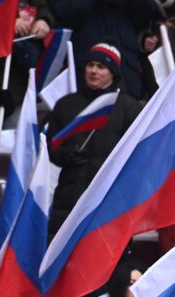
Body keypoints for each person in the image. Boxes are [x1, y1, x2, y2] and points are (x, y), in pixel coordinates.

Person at [44, 44, 143, 232]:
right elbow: (52, 147)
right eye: (90, 65)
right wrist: (66, 155)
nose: (94, 71)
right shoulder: (66, 104)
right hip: (69, 199)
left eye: (101, 67)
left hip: (109, 200)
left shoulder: (128, 108)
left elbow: (137, 155)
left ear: (113, 73)